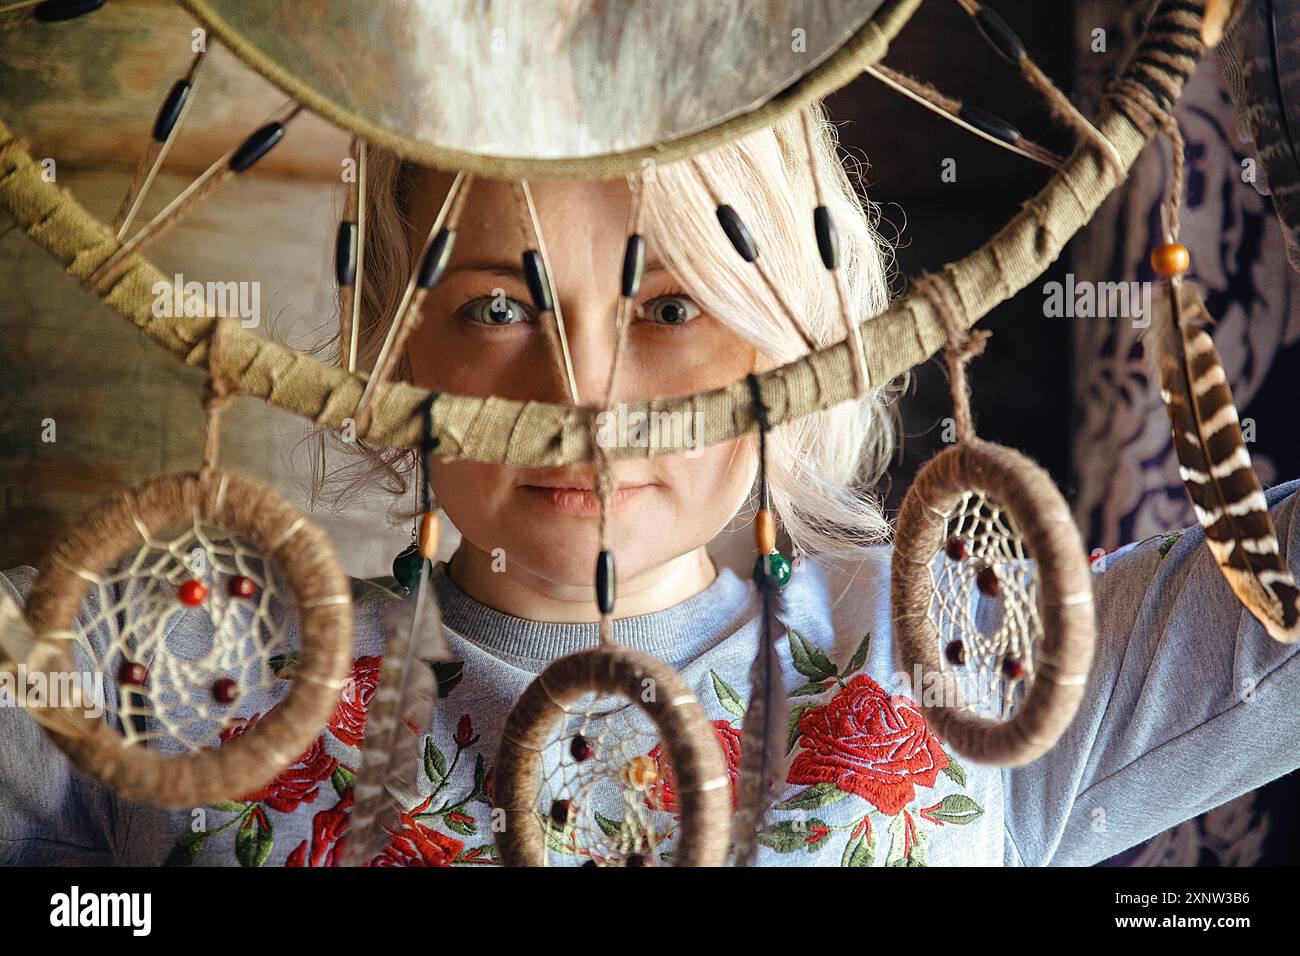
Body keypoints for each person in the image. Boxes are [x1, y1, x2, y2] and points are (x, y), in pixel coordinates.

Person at [2, 106, 1298, 867]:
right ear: (392, 352)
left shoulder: (968, 657)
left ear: (794, 332)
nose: (587, 401)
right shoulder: (175, 676)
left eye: (670, 304)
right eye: (500, 306)